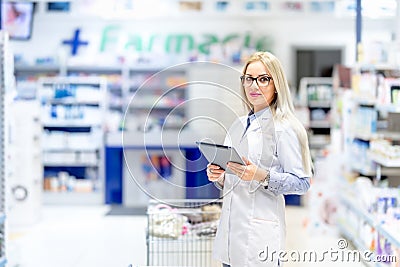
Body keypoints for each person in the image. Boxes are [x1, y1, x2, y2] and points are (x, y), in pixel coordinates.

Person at [206, 51, 313, 267]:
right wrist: (218, 176)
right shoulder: (237, 125)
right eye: (248, 79)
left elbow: (302, 183)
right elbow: (230, 175)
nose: (254, 86)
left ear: (277, 84)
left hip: (259, 239)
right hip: (231, 235)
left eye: (263, 79)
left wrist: (261, 175)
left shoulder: (285, 128)